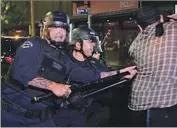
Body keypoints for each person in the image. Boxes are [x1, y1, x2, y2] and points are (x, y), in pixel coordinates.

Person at [1, 11, 86, 127]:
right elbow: (20, 73)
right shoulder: (34, 44)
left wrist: (69, 95)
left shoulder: (62, 58)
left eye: (63, 28)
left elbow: (82, 75)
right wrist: (53, 86)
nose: (60, 32)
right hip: (11, 116)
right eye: (55, 27)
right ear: (46, 30)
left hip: (40, 119)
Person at [65, 26, 137, 126]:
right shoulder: (65, 63)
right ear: (78, 45)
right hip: (72, 115)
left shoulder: (94, 63)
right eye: (90, 41)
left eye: (94, 41)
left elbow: (108, 77)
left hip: (96, 112)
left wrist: (123, 77)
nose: (94, 44)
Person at [128, 7, 177, 127]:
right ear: (161, 18)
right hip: (164, 104)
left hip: (138, 102)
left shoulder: (135, 44)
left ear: (139, 26)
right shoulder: (173, 30)